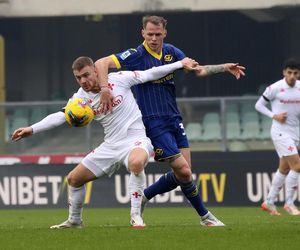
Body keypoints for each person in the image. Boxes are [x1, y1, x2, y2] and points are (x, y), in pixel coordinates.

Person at [11, 56, 198, 228]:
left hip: (136, 139)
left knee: (135, 162)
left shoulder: (118, 79)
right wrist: (32, 129)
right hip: (111, 145)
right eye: (78, 78)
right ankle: (74, 220)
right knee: (74, 179)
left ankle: (136, 215)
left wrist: (180, 64)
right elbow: (61, 115)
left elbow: (150, 73)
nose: (83, 81)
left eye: (86, 75)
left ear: (95, 70)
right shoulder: (81, 98)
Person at [95, 15, 245, 226]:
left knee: (184, 174)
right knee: (183, 171)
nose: (154, 38)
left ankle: (145, 195)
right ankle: (205, 217)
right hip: (152, 121)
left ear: (164, 33)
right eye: (150, 34)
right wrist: (104, 90)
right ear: (143, 34)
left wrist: (223, 67)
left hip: (174, 118)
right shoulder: (136, 55)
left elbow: (198, 70)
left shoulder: (172, 52)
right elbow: (101, 63)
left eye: (158, 34)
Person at [255, 58, 300, 216]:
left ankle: (269, 201)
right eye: (289, 73)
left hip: (295, 132)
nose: (292, 76)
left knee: (284, 168)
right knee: (297, 166)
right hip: (280, 131)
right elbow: (258, 105)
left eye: (295, 73)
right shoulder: (275, 88)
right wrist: (274, 116)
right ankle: (289, 203)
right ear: (284, 73)